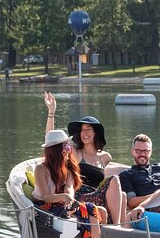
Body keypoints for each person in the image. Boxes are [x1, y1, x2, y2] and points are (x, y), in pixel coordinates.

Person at [44, 92, 126, 224]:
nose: (85, 133)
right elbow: (51, 141)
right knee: (115, 180)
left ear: (96, 133)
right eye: (82, 130)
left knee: (122, 195)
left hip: (97, 195)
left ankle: (121, 232)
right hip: (79, 196)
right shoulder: (75, 152)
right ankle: (115, 229)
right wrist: (51, 111)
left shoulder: (105, 157)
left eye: (88, 129)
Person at [32, 129, 107, 238]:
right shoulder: (41, 169)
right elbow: (46, 197)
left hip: (62, 203)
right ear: (55, 150)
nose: (69, 149)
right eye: (66, 145)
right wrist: (64, 197)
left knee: (97, 210)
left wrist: (69, 199)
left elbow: (69, 188)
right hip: (44, 207)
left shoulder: (68, 167)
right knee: (89, 210)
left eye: (69, 145)